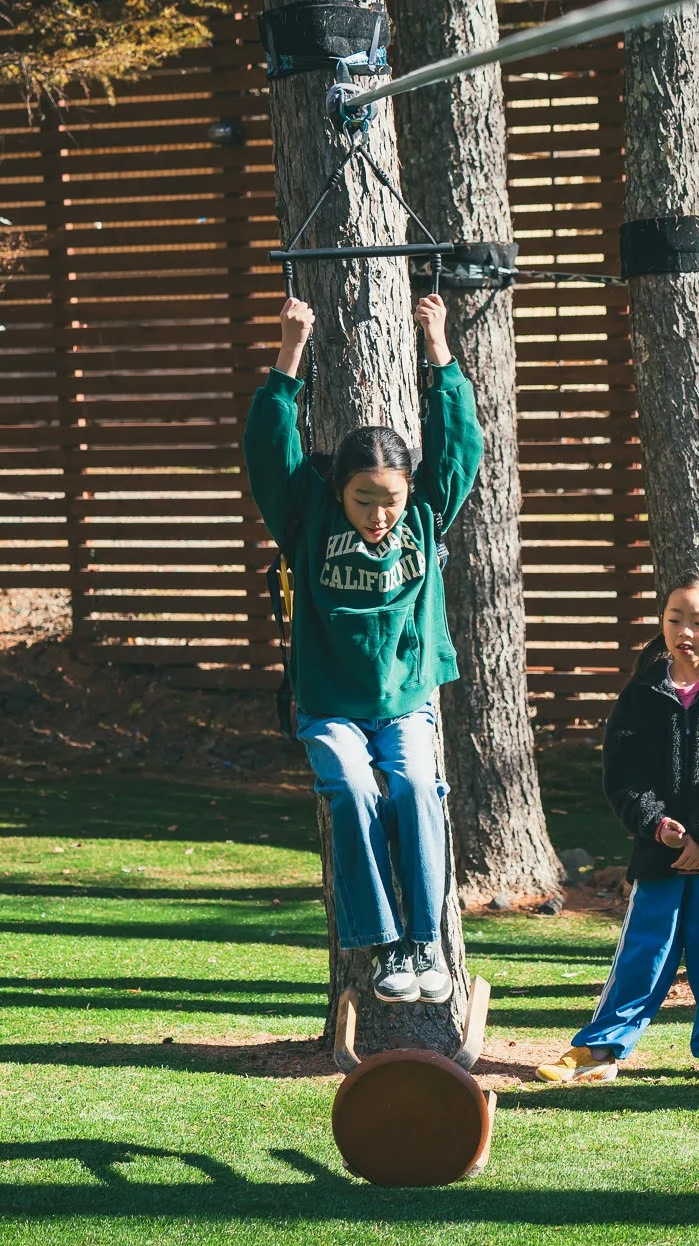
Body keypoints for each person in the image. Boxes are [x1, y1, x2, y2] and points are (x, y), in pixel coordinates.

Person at [242, 294, 481, 1006]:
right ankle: (382, 945)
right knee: (348, 786)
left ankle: (425, 943)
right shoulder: (305, 517)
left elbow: (460, 442)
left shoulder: (427, 515)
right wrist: (290, 350)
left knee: (413, 789)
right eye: (363, 499)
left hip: (405, 700)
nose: (379, 515)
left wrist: (438, 347)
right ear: (337, 492)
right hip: (330, 702)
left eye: (391, 500)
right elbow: (268, 446)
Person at [537, 574, 699, 1087]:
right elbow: (623, 776)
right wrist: (655, 823)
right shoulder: (640, 696)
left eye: (697, 621)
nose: (685, 630)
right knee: (645, 951)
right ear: (662, 624)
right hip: (657, 855)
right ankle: (600, 1050)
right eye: (674, 619)